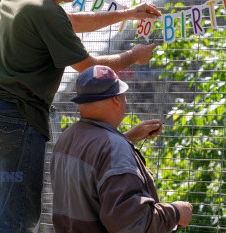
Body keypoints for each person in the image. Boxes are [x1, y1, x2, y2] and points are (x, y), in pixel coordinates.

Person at [0, 0, 163, 233]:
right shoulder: (46, 12)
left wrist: (129, 14)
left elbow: (70, 21)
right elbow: (89, 67)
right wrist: (133, 56)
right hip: (19, 123)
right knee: (18, 220)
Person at [51, 65, 193, 232]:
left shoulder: (66, 138)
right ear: (116, 99)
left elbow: (94, 165)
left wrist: (127, 138)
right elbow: (133, 225)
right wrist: (175, 213)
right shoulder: (113, 148)